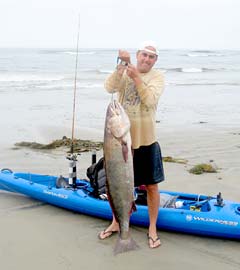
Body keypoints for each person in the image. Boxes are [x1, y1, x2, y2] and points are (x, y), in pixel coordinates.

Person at [99, 41, 165, 249]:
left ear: (155, 60)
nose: (146, 59)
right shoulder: (126, 71)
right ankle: (117, 222)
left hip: (145, 140)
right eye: (143, 55)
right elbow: (109, 87)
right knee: (116, 184)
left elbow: (149, 99)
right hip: (119, 143)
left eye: (151, 56)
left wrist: (135, 76)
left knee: (152, 186)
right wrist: (121, 68)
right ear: (137, 55)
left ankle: (152, 228)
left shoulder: (157, 78)